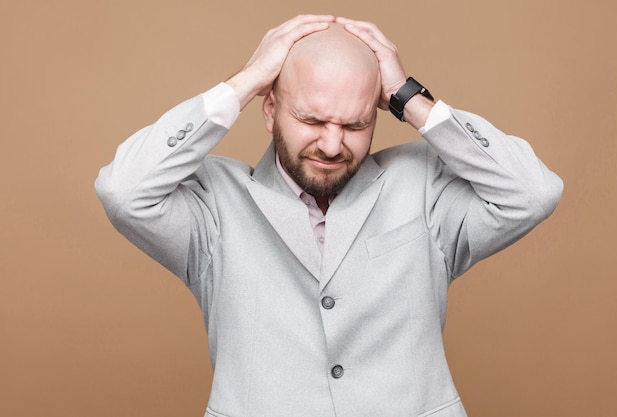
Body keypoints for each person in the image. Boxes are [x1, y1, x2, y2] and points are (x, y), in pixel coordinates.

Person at [96, 15, 563, 417]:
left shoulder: (423, 187)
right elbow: (123, 190)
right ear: (271, 109)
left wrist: (409, 96)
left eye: (355, 125)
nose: (333, 144)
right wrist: (245, 81)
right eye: (313, 121)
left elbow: (533, 192)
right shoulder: (215, 205)